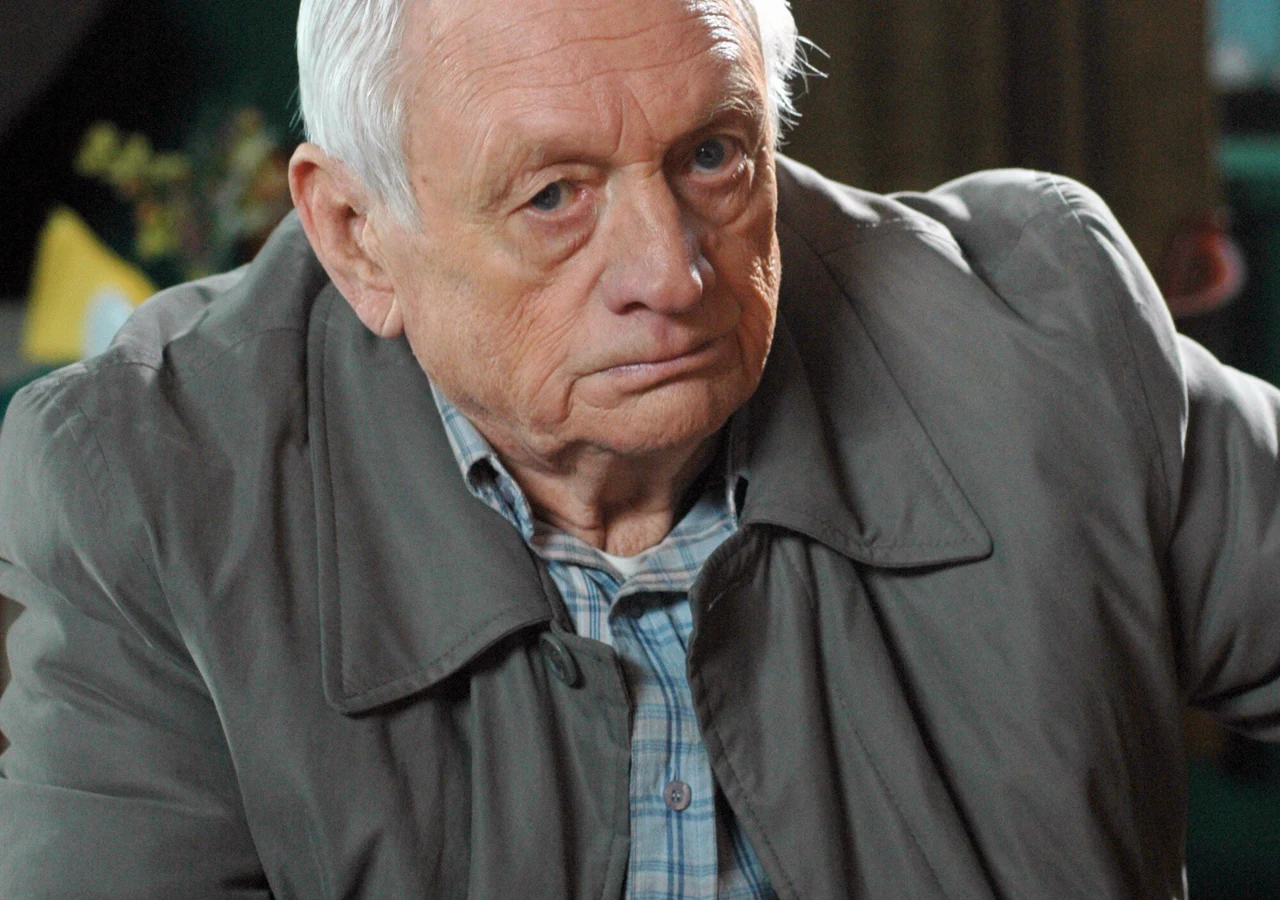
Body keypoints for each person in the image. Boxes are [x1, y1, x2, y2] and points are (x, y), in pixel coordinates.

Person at [0, 0, 1277, 896]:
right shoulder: (147, 487)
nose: (669, 273)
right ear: (354, 235)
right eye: (553, 195)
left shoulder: (1036, 336)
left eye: (712, 156)